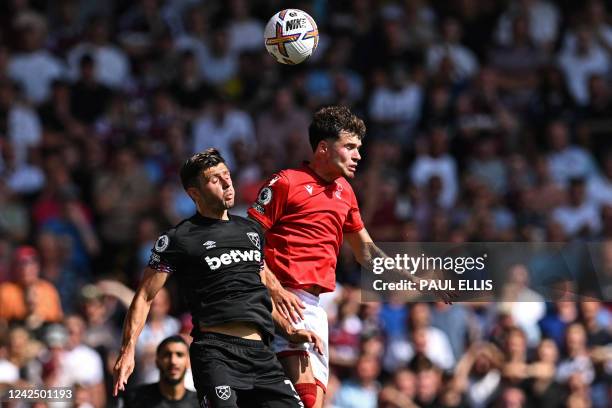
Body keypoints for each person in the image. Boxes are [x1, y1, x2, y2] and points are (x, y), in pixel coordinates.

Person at [113, 148, 322, 408]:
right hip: (216, 353)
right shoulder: (179, 238)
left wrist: (290, 330)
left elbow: (255, 292)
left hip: (261, 355)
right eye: (215, 179)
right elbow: (145, 296)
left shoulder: (251, 231)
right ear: (194, 193)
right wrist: (128, 349)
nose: (227, 182)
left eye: (227, 174)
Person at [247, 105, 385, 408]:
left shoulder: (345, 192)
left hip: (313, 307)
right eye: (349, 146)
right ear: (323, 148)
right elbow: (244, 241)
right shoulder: (286, 182)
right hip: (278, 301)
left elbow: (367, 252)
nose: (358, 155)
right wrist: (273, 288)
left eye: (358, 148)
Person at [120, 335, 198, 408]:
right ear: (157, 362)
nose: (173, 361)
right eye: (167, 355)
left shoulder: (199, 402)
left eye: (179, 355)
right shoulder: (134, 399)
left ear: (188, 362)